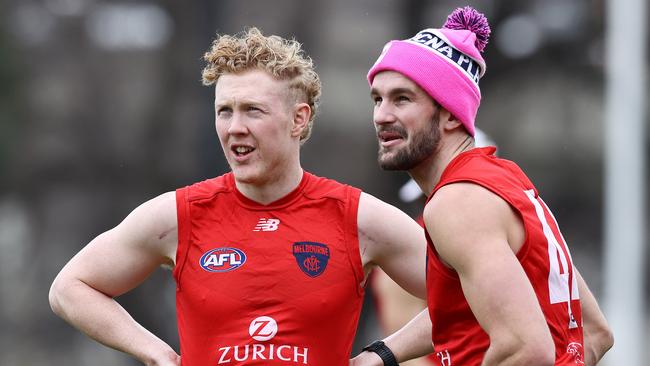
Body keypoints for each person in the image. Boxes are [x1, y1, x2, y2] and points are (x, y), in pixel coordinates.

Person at [48, 28, 428, 365]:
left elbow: (468, 294)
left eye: (252, 111)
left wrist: (382, 355)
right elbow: (70, 288)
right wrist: (157, 353)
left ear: (298, 118)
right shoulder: (177, 216)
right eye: (224, 111)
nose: (235, 128)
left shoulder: (360, 218)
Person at [353, 6, 613, 366]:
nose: (381, 115)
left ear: (448, 113)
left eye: (402, 98)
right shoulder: (504, 180)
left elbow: (526, 349)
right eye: (377, 99)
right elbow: (595, 333)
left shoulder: (456, 204)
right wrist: (384, 353)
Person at [369, 129, 495, 366]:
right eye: (428, 195)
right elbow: (408, 358)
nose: (438, 201)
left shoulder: (516, 229)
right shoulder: (410, 245)